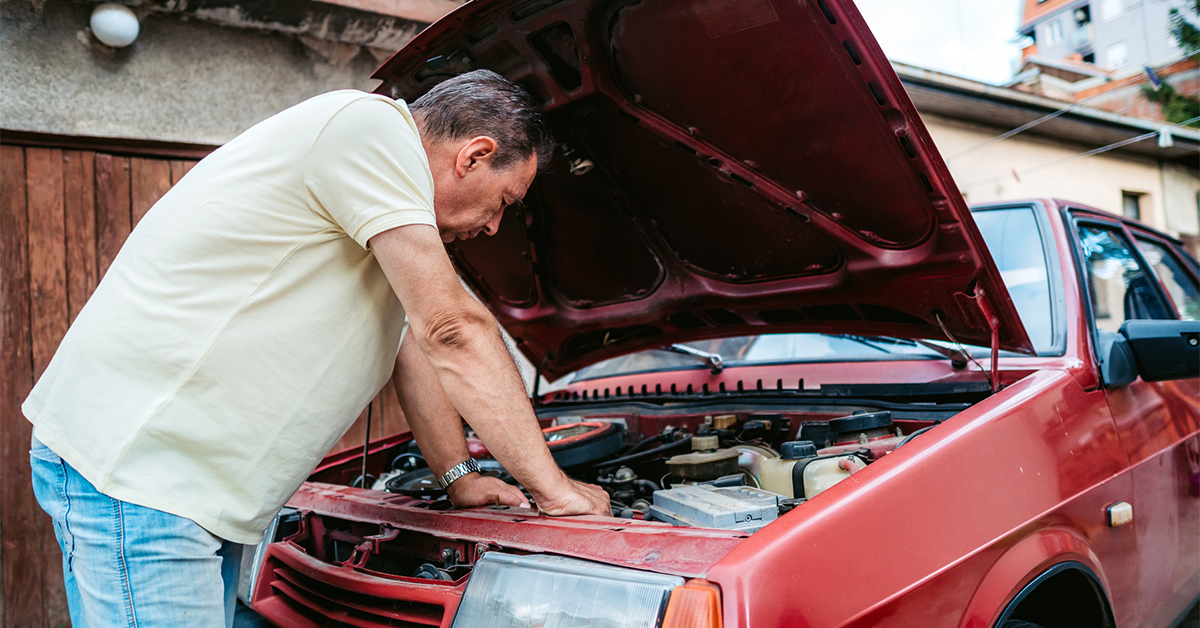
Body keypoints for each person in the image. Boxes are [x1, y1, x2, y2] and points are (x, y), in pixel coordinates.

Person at [24, 69, 610, 628]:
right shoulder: (368, 130)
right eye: (505, 200)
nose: (493, 227)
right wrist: (553, 491)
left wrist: (458, 477)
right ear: (474, 155)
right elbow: (451, 332)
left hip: (190, 490)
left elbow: (415, 344)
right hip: (145, 479)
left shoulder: (383, 205)